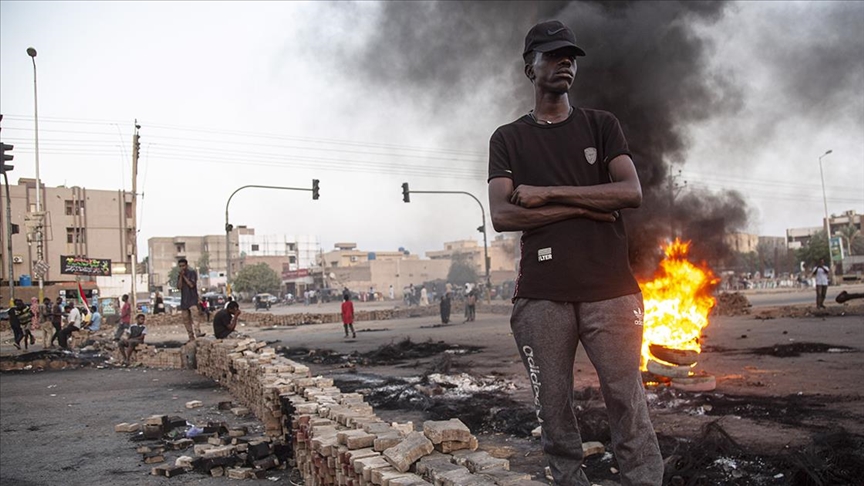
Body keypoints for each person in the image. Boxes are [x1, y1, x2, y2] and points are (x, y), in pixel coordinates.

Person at [486, 20, 663, 485]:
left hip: (612, 292)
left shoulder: (601, 125)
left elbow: (629, 193)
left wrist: (546, 195)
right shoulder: (508, 139)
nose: (566, 61)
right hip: (542, 296)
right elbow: (503, 216)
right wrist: (586, 205)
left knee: (627, 398)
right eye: (553, 54)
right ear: (530, 67)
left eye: (571, 56)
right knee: (553, 407)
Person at [177, 258, 203, 340]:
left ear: (186, 265)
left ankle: (197, 332)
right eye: (180, 266)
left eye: (183, 266)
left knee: (195, 317)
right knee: (186, 320)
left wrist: (184, 276)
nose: (182, 268)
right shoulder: (179, 275)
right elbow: (179, 286)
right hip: (184, 301)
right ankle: (190, 336)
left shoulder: (192, 273)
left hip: (192, 299)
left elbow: (191, 285)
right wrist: (181, 277)